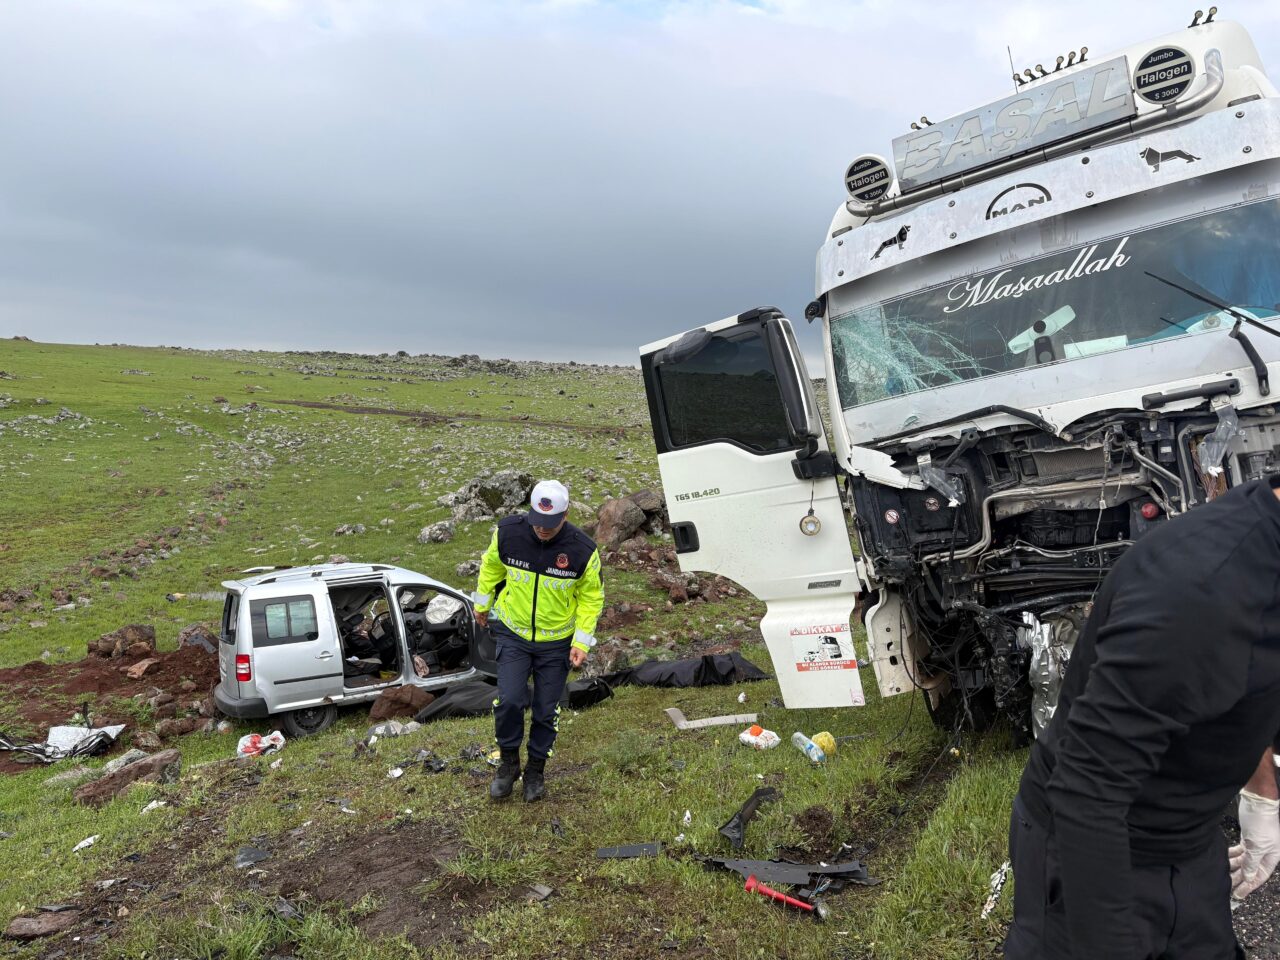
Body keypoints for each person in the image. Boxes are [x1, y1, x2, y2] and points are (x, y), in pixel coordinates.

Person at [1004, 475, 1280, 960]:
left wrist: (1263, 794)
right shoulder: (1199, 593)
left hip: (1190, 841)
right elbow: (1088, 791)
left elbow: (1248, 679)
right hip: (1094, 847)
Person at [472, 479, 604, 802]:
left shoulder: (583, 551)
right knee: (510, 701)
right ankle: (508, 764)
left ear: (566, 515)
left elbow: (591, 598)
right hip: (514, 635)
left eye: (550, 524)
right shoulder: (508, 533)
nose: (542, 530)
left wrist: (581, 642)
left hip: (556, 643)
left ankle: (536, 770)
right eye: (537, 522)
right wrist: (481, 602)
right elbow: (491, 566)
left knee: (546, 711)